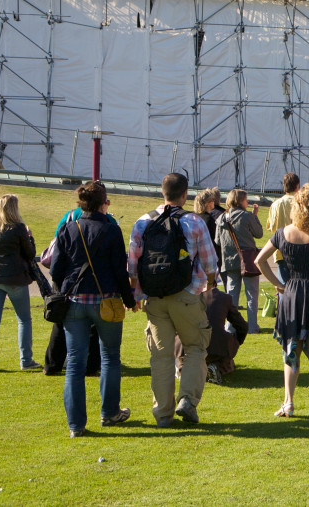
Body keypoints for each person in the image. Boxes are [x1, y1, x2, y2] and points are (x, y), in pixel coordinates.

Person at [128, 172, 217, 427]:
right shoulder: (194, 221)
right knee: (196, 348)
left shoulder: (143, 222)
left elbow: (132, 266)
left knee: (161, 356)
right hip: (187, 294)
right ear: (185, 194)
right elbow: (210, 263)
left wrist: (136, 295)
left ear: (162, 192)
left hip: (154, 297)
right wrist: (209, 286)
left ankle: (163, 414)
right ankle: (187, 400)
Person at [50, 181, 136, 437]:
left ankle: (76, 425)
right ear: (102, 202)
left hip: (74, 300)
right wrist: (129, 300)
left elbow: (55, 269)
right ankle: (109, 412)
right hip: (105, 299)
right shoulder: (111, 230)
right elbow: (121, 271)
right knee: (110, 356)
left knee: (75, 363)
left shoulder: (68, 228)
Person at [255, 183, 309, 418]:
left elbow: (259, 261)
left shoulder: (283, 233)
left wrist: (278, 283)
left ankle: (289, 403)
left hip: (292, 294)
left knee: (291, 349)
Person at [44, 195, 119, 377]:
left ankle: (53, 364)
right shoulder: (109, 222)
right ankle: (91, 366)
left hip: (69, 281)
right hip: (97, 283)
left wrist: (61, 281)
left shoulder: (69, 216)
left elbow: (57, 244)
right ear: (101, 203)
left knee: (61, 323)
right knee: (94, 327)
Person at [0, 194, 39, 373]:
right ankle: (25, 360)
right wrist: (30, 237)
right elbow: (30, 254)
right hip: (14, 278)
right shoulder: (19, 228)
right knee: (23, 320)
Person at [175, 278, 248, 385]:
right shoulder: (224, 298)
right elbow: (241, 326)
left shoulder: (184, 297)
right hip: (216, 346)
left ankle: (184, 369)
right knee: (224, 359)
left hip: (187, 346)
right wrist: (236, 342)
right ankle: (216, 367)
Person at [216, 188, 264, 334]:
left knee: (231, 295)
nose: (247, 202)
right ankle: (252, 326)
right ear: (240, 200)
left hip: (229, 261)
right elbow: (259, 233)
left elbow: (217, 241)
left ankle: (230, 326)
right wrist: (254, 216)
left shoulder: (221, 218)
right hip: (247, 259)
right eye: (246, 199)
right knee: (251, 293)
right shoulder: (246, 216)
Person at [266, 172, 300, 284]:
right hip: (298, 249)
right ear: (297, 186)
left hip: (280, 249)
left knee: (284, 289)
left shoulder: (275, 204)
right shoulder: (300, 202)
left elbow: (270, 227)